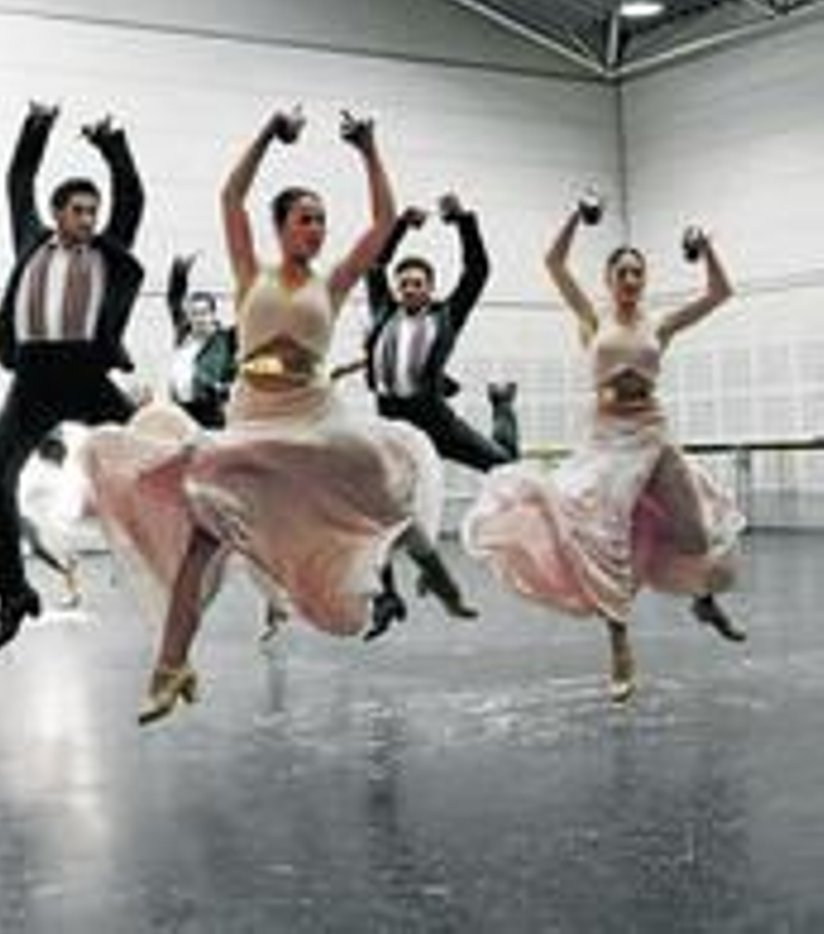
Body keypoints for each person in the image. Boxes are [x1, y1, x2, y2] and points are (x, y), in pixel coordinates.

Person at [79, 107, 475, 725]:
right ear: (281, 226)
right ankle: (170, 665)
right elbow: (231, 194)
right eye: (305, 219)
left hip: (316, 423)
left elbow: (382, 223)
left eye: (321, 221)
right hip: (253, 428)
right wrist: (266, 132)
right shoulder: (250, 273)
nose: (316, 230)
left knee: (385, 484)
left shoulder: (335, 284)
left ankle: (435, 575)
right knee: (204, 544)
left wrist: (368, 149)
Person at [462, 198, 746, 703]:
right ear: (610, 278)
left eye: (639, 272)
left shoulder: (659, 326)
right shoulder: (592, 318)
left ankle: (703, 600)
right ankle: (619, 647)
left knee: (697, 532)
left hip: (652, 432)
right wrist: (576, 214)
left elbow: (721, 293)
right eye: (624, 272)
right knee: (605, 539)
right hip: (607, 440)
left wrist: (706, 251)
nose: (633, 280)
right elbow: (553, 263)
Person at [0, 101, 145, 652]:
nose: (89, 221)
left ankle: (159, 552)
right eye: (79, 211)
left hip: (85, 373)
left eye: (93, 212)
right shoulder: (29, 239)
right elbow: (19, 178)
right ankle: (12, 593)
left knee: (153, 447)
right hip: (31, 379)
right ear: (57, 214)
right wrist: (38, 127)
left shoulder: (106, 252)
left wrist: (112, 144)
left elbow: (134, 198)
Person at [358, 192, 519, 638]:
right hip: (391, 426)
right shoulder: (383, 311)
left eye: (418, 283)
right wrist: (399, 228)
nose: (410, 289)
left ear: (429, 288)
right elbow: (373, 265)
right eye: (404, 283)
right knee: (377, 512)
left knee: (505, 465)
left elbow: (477, 271)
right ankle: (386, 597)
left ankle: (503, 407)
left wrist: (462, 221)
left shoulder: (447, 315)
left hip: (433, 421)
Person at [164, 253, 237, 430]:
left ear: (213, 314)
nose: (199, 318)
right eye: (195, 314)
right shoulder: (184, 332)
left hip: (208, 412)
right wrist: (179, 272)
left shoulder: (226, 338)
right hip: (181, 411)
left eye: (203, 313)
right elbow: (174, 300)